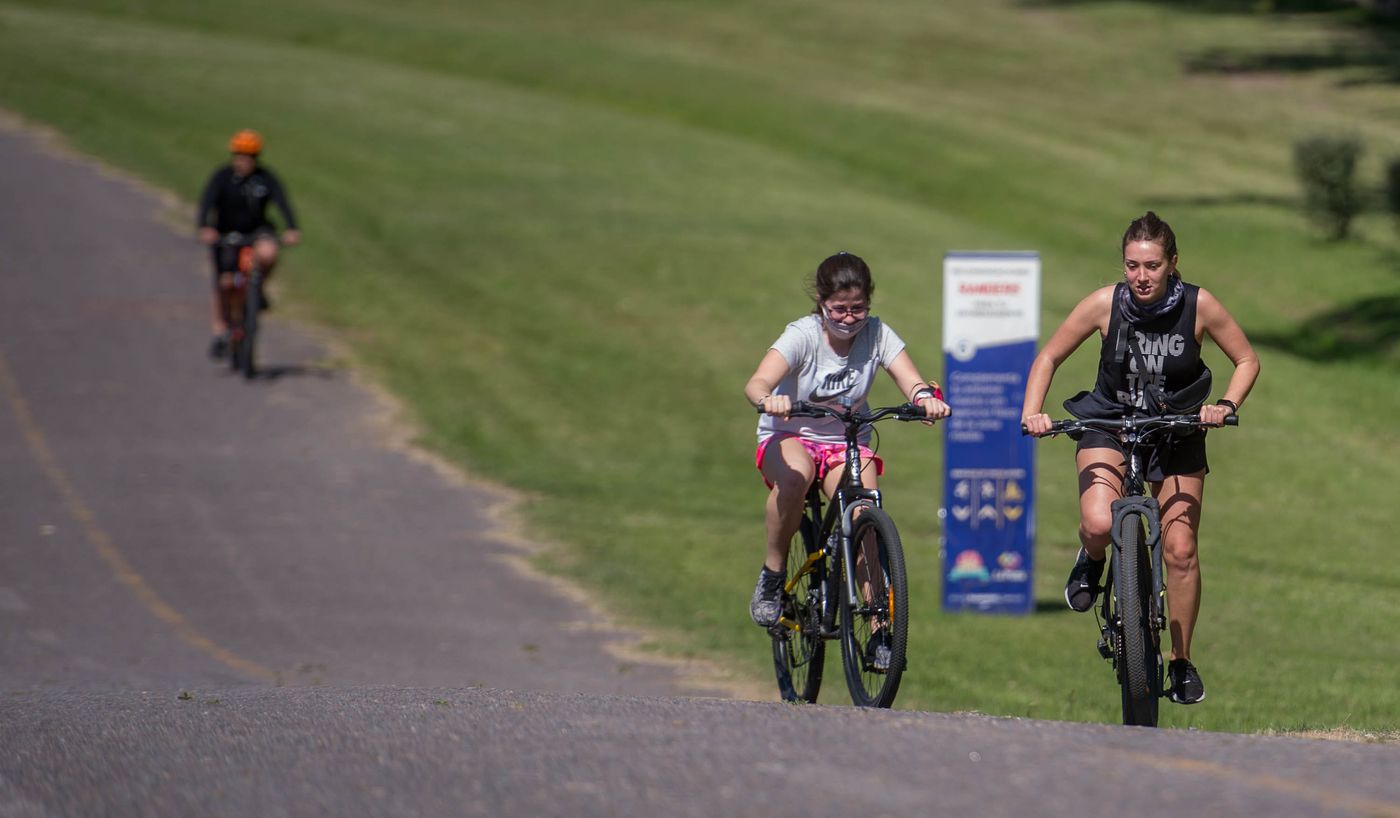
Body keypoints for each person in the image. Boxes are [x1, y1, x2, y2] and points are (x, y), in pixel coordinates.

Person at [1020, 212, 1260, 705]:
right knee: (1097, 522)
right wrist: (1032, 412)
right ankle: (1092, 560)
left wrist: (1225, 405)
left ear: (1172, 263)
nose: (1142, 276)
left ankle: (1181, 661)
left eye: (1152, 266)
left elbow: (1247, 360)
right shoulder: (1104, 304)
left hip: (1176, 429)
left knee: (1181, 549)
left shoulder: (1199, 305)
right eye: (1133, 265)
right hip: (1110, 422)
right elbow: (1048, 357)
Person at [743, 252, 951, 653]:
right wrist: (769, 399)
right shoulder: (802, 335)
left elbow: (911, 380)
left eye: (858, 308)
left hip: (845, 439)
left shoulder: (877, 334)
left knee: (863, 513)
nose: (849, 318)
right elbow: (757, 382)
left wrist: (925, 398)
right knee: (796, 477)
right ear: (822, 302)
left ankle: (878, 628)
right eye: (839, 309)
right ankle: (773, 574)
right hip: (789, 433)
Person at [197, 129, 301, 359]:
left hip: (256, 232)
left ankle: (258, 287)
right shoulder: (223, 177)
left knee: (269, 252)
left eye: (250, 157)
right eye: (241, 156)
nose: (244, 161)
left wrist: (292, 228)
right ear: (234, 156)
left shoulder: (265, 178)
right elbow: (207, 201)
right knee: (226, 283)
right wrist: (205, 227)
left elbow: (282, 202)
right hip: (226, 234)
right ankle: (221, 329)